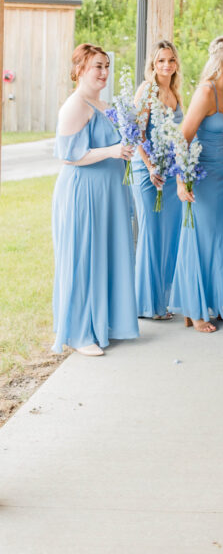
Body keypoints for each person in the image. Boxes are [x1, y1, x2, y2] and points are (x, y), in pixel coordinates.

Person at [52, 44, 138, 356]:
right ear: (79, 71)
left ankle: (102, 320)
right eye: (96, 67)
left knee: (104, 255)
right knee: (84, 257)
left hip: (108, 193)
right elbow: (69, 156)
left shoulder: (104, 103)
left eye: (106, 66)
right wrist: (112, 151)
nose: (104, 72)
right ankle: (78, 332)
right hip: (84, 193)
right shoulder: (75, 105)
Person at [169, 36, 223, 332]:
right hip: (200, 175)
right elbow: (182, 138)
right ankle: (195, 309)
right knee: (199, 238)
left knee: (221, 237)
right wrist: (180, 179)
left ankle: (218, 300)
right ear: (221, 59)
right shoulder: (205, 91)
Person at [130, 40, 184, 320]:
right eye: (161, 60)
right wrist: (151, 166)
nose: (166, 65)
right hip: (148, 171)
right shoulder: (147, 90)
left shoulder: (175, 92)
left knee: (170, 234)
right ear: (152, 64)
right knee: (151, 233)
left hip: (172, 171)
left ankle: (164, 300)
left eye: (171, 60)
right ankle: (146, 304)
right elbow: (138, 134)